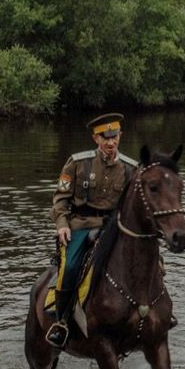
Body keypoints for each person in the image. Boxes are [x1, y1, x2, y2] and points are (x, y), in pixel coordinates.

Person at [47, 112, 135, 348]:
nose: (110, 142)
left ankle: (154, 313)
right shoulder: (77, 163)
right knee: (72, 266)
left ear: (120, 135)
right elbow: (60, 199)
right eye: (104, 137)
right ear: (95, 138)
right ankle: (62, 322)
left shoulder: (131, 169)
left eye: (114, 136)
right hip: (81, 226)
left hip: (114, 229)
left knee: (149, 260)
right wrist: (62, 225)